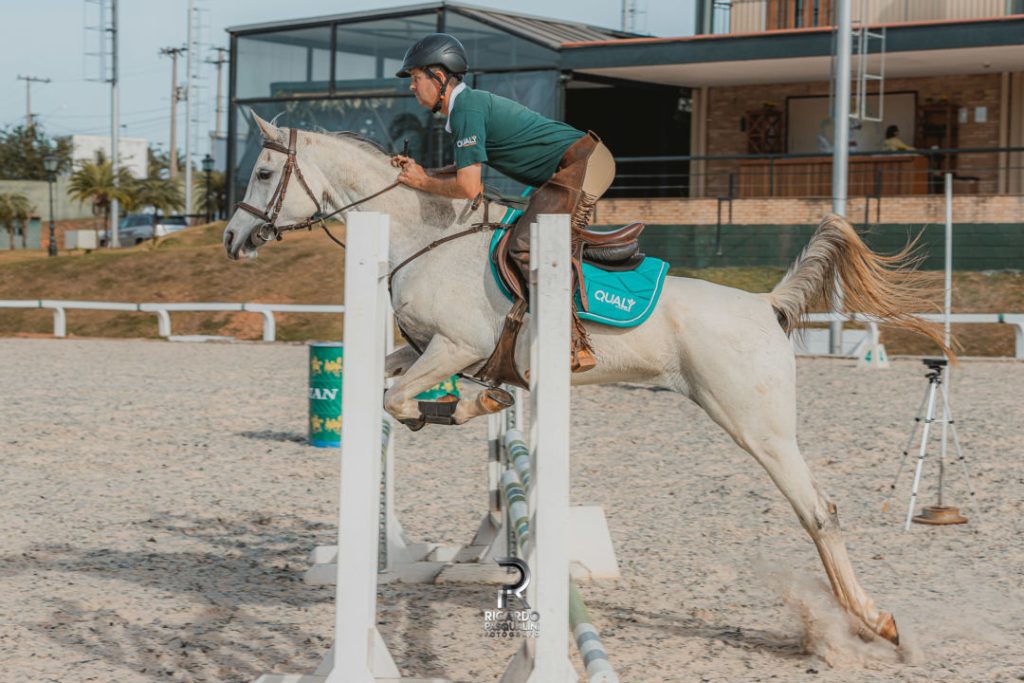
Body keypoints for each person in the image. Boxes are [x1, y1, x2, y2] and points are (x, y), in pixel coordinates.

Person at [390, 33, 614, 374]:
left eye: (416, 78)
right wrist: (426, 173)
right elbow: (465, 170)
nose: (411, 87)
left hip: (581, 164)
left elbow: (468, 186)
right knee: (518, 236)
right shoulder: (466, 109)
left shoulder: (467, 108)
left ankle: (572, 341)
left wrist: (423, 181)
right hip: (572, 167)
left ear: (439, 77)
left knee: (525, 246)